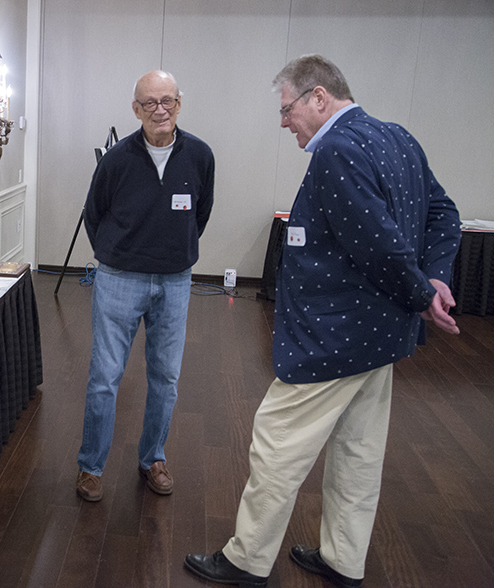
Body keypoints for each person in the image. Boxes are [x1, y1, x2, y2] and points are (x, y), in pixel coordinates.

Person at [184, 54, 461, 587]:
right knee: (358, 450)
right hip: (382, 337)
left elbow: (378, 245)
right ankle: (343, 558)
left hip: (337, 336)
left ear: (319, 97)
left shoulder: (336, 150)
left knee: (276, 442)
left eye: (287, 109)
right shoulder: (398, 136)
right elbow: (444, 214)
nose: (283, 121)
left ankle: (246, 560)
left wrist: (424, 290)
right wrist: (436, 277)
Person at [76, 70, 215, 502]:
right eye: (150, 103)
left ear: (179, 104)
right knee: (104, 377)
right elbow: (93, 214)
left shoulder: (200, 156)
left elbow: (201, 214)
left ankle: (153, 457)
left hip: (175, 281)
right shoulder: (116, 159)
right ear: (136, 109)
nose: (160, 110)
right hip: (119, 279)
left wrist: (172, 253)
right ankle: (90, 467)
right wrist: (119, 256)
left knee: (166, 378)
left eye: (168, 101)